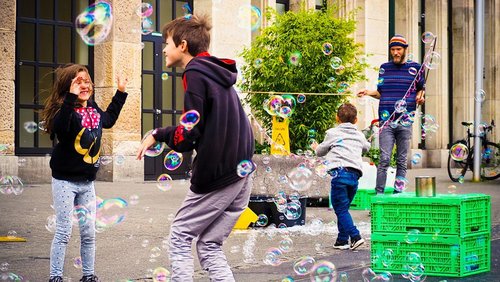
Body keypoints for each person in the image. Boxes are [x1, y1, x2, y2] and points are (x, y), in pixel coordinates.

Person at [136, 14, 254, 281]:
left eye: (166, 43)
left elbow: (189, 134)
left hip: (220, 174)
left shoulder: (195, 73)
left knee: (180, 234)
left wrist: (159, 133)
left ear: (183, 45)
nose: (163, 49)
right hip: (242, 173)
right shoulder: (217, 74)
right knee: (209, 245)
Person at [41, 64, 128, 282]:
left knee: (88, 232)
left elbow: (108, 120)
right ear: (68, 87)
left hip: (87, 182)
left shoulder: (93, 108)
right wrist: (70, 99)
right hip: (64, 181)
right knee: (63, 231)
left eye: (86, 81)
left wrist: (120, 92)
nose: (84, 85)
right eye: (78, 81)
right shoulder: (64, 110)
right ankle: (55, 277)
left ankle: (88, 275)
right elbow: (61, 127)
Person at [357, 34, 425, 194]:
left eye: (398, 49)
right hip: (386, 121)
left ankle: (397, 195)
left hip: (405, 120)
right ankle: (379, 196)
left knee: (401, 160)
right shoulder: (384, 68)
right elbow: (381, 93)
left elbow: (421, 91)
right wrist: (368, 92)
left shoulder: (416, 68)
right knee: (384, 159)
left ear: (405, 50)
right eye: (393, 49)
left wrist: (420, 97)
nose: (395, 52)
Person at [311, 103, 371, 250]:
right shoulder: (359, 134)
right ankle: (342, 240)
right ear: (356, 120)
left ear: (337, 118)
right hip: (354, 176)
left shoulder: (332, 133)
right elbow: (366, 148)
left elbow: (320, 151)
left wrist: (315, 147)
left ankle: (355, 236)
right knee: (343, 208)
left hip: (339, 175)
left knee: (340, 209)